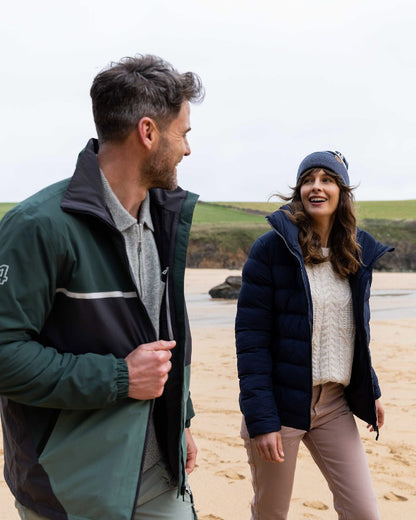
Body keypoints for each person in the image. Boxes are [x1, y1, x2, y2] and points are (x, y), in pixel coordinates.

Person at [0, 54, 204, 520]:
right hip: (73, 487)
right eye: (183, 133)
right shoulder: (37, 226)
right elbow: (4, 353)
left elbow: (164, 336)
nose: (188, 150)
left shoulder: (166, 221)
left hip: (161, 474)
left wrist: (181, 420)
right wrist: (119, 378)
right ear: (148, 132)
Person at [235, 151, 392, 520]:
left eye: (327, 179)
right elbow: (251, 341)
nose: (316, 187)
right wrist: (262, 420)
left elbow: (352, 334)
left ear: (342, 191)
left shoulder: (354, 253)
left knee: (364, 512)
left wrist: (372, 389)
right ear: (298, 190)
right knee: (271, 513)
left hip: (335, 405)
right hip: (281, 404)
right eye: (308, 179)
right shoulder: (270, 251)